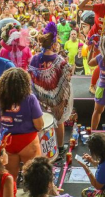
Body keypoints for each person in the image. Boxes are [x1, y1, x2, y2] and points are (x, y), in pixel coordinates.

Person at [28, 22, 73, 159]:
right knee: (59, 121)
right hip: (57, 99)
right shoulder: (59, 60)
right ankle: (59, 148)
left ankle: (44, 149)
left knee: (43, 122)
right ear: (53, 44)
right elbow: (67, 78)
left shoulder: (34, 58)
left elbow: (31, 78)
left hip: (40, 98)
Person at [0, 68, 44, 180]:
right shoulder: (30, 98)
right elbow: (39, 125)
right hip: (28, 141)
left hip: (7, 142)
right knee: (35, 179)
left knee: (9, 180)